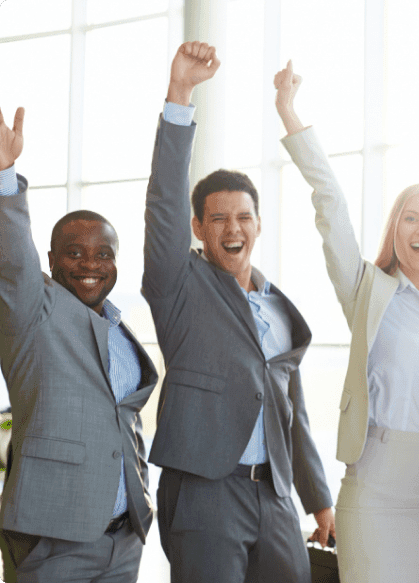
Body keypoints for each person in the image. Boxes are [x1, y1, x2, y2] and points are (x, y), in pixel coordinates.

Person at [273, 60, 419, 583]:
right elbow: (332, 205)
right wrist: (289, 112)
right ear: (395, 230)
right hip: (377, 490)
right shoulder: (368, 291)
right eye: (410, 217)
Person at [142, 42, 334, 582]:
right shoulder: (178, 285)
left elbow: (290, 410)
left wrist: (318, 499)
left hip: (274, 497)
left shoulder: (278, 306)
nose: (233, 228)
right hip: (206, 490)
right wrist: (180, 95)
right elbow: (163, 205)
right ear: (198, 228)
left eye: (244, 217)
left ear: (257, 224)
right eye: (218, 218)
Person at [0, 106, 158, 581]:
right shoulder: (33, 310)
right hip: (53, 539)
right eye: (74, 252)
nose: (90, 263)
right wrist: (5, 174)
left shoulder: (119, 328)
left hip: (122, 538)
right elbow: (12, 257)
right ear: (51, 259)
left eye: (103, 253)